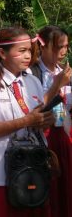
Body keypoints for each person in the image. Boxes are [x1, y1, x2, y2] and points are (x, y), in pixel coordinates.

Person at [0, 27, 54, 217]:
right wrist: (25, 120)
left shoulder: (32, 82)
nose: (28, 56)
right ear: (2, 52)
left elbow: (37, 120)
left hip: (33, 169)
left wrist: (44, 120)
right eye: (22, 51)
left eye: (30, 50)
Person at [30, 25, 72, 217]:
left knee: (65, 189)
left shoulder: (64, 71)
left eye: (66, 46)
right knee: (47, 191)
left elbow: (65, 108)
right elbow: (34, 108)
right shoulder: (32, 73)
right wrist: (57, 86)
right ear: (44, 46)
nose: (63, 51)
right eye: (58, 47)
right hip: (43, 138)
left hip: (62, 135)